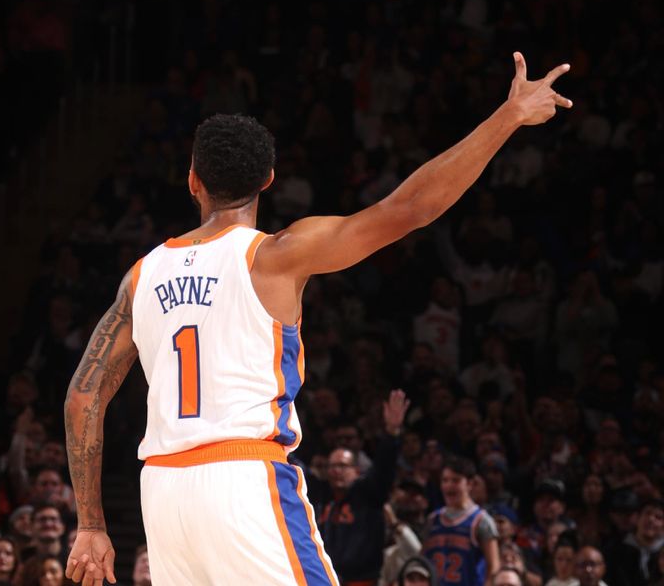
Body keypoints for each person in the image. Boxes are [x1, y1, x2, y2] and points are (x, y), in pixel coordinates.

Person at [64, 52, 573, 586]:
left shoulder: (141, 276)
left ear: (192, 180)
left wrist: (91, 524)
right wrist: (508, 116)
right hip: (243, 480)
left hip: (164, 496)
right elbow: (409, 208)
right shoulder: (274, 255)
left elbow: (82, 397)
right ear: (268, 179)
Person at [312, 390, 410, 584]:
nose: (336, 471)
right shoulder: (319, 495)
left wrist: (391, 432)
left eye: (342, 466)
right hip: (323, 580)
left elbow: (384, 467)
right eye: (332, 466)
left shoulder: (369, 494)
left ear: (356, 471)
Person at [422, 456, 500, 585]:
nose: (449, 485)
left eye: (455, 480)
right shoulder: (432, 520)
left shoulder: (481, 521)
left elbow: (493, 567)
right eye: (445, 480)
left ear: (469, 484)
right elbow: (422, 560)